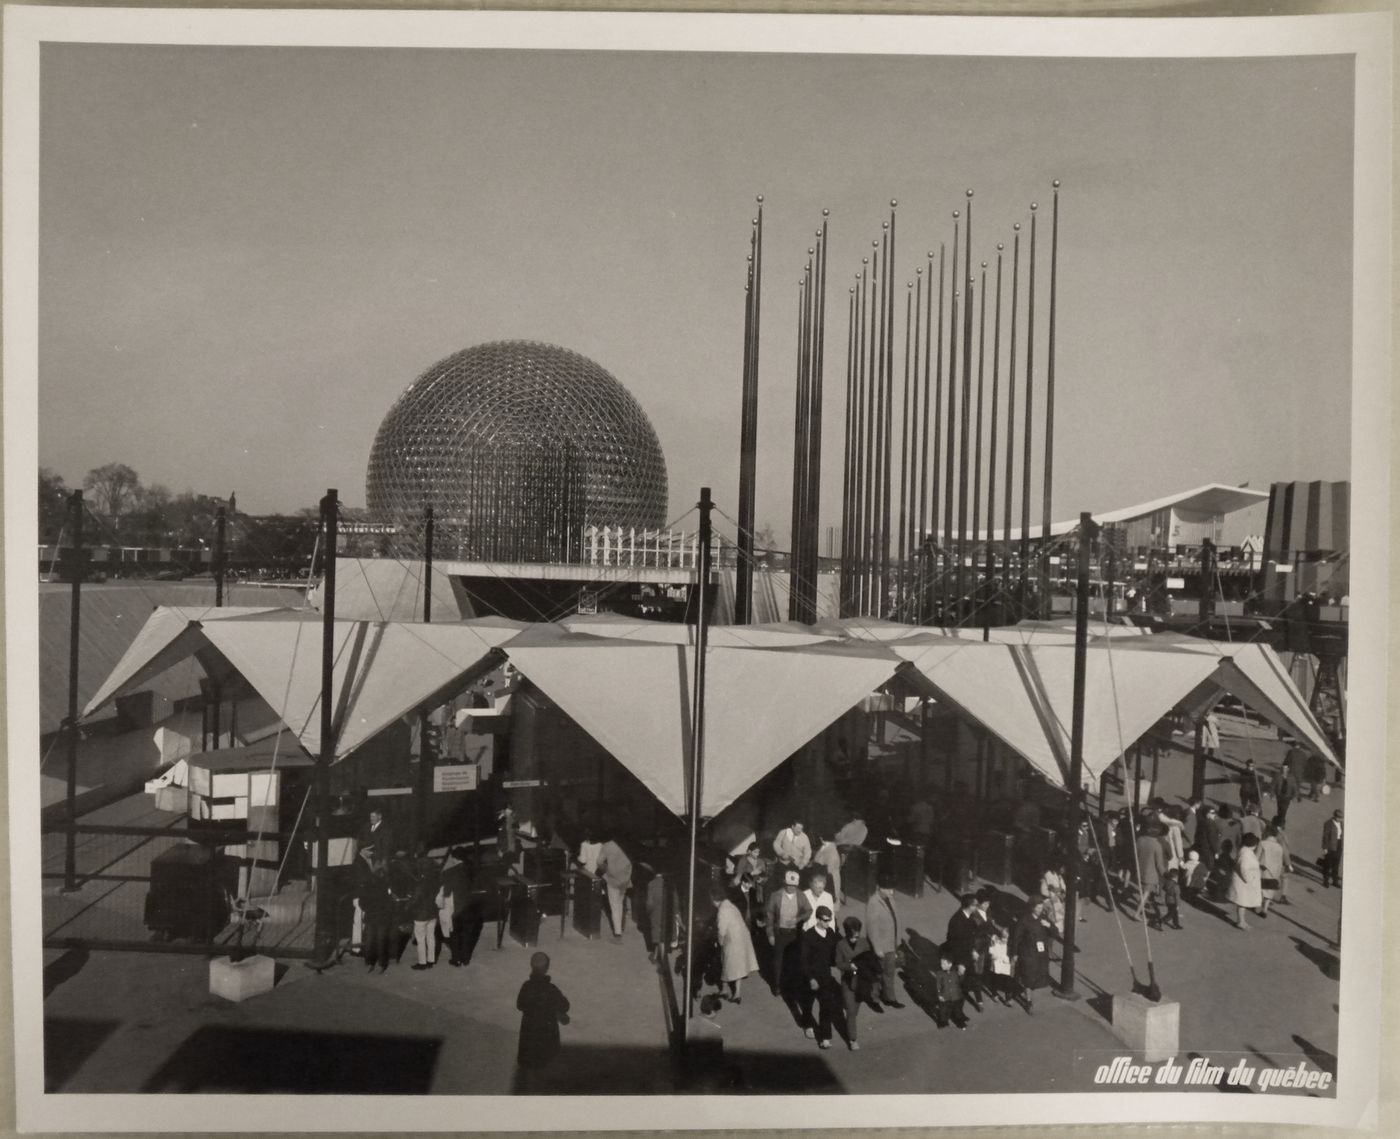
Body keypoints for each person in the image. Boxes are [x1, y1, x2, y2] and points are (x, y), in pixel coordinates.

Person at [516, 951, 571, 1078]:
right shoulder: (551, 989)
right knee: (547, 1058)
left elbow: (519, 1005)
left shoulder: (526, 986)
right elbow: (565, 1006)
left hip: (529, 1030)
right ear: (546, 968)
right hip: (547, 1030)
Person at [797, 906, 841, 1048]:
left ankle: (825, 1037)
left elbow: (834, 952)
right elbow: (803, 960)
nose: (828, 923)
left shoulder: (830, 933)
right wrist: (810, 979)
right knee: (808, 1004)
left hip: (825, 976)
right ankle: (807, 1025)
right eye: (825, 921)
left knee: (826, 1006)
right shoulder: (808, 936)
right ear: (818, 919)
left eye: (830, 920)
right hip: (810, 977)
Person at [765, 869, 812, 998]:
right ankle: (777, 985)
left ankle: (792, 986)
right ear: (784, 883)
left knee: (794, 960)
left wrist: (799, 919)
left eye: (794, 885)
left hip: (794, 933)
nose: (791, 888)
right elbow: (769, 916)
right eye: (789, 885)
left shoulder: (801, 896)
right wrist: (770, 934)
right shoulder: (775, 896)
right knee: (778, 961)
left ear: (797, 885)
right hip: (780, 933)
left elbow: (809, 910)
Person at [835, 916, 879, 1051]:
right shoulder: (840, 945)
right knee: (851, 1011)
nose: (855, 939)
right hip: (848, 982)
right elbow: (838, 963)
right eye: (853, 937)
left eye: (857, 936)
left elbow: (871, 959)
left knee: (856, 1008)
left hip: (861, 981)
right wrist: (850, 966)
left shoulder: (864, 943)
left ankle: (850, 1015)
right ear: (847, 934)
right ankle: (852, 1039)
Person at [712, 885, 758, 1004]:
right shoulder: (730, 905)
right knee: (738, 966)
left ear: (714, 899)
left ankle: (725, 990)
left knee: (726, 963)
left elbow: (721, 930)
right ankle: (736, 993)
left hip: (733, 940)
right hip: (742, 937)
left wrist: (719, 942)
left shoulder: (722, 910)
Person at [866, 876, 906, 1009]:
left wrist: (897, 941)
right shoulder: (873, 903)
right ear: (879, 888)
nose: (891, 892)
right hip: (881, 947)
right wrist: (877, 949)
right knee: (877, 974)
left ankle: (889, 997)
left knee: (889, 973)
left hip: (891, 944)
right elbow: (872, 928)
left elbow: (895, 920)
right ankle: (874, 999)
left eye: (892, 890)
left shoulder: (889, 899)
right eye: (888, 890)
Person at [1010, 897, 1054, 1013]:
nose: (1041, 909)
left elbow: (1055, 931)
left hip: (1040, 954)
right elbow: (1016, 938)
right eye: (1038, 907)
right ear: (1032, 908)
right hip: (1028, 953)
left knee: (1035, 976)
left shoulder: (1043, 918)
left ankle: (1016, 990)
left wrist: (1048, 926)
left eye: (1041, 907)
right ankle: (1028, 1001)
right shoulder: (1024, 921)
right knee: (1028, 977)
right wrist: (1014, 953)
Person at [944, 893, 986, 1012]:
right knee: (958, 980)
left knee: (973, 976)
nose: (976, 907)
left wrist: (973, 950)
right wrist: (961, 963)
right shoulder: (957, 921)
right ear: (968, 906)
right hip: (959, 955)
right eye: (975, 905)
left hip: (967, 953)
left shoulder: (969, 917)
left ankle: (979, 1001)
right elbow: (955, 943)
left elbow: (970, 937)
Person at [355, 855, 395, 973]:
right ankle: (381, 964)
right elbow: (390, 900)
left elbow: (362, 901)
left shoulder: (368, 882)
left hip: (372, 915)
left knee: (370, 940)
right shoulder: (387, 882)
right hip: (381, 915)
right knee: (380, 940)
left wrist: (367, 908)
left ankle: (370, 962)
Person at [594, 832, 632, 941]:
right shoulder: (627, 844)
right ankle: (620, 926)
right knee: (620, 903)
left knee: (615, 906)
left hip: (613, 880)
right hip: (625, 878)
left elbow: (599, 862)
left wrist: (606, 869)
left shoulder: (607, 846)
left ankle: (618, 934)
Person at [408, 847, 441, 971]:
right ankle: (431, 960)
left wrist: (408, 905)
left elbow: (415, 899)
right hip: (433, 912)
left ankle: (422, 962)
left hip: (421, 914)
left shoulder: (421, 883)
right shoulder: (435, 881)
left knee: (421, 939)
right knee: (431, 937)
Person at [1134, 824, 1168, 928]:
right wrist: (1166, 875)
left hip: (1139, 870)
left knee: (1143, 892)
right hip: (1151, 873)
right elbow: (1159, 864)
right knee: (1146, 893)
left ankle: (1139, 909)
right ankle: (1137, 912)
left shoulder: (1140, 840)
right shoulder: (1157, 845)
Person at [1227, 832, 1263, 929]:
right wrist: (1250, 879)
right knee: (1242, 902)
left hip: (1243, 882)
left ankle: (1241, 921)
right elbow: (1244, 868)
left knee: (1243, 902)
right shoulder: (1245, 854)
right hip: (1244, 882)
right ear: (1253, 844)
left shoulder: (1245, 851)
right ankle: (1241, 922)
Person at [1256, 824, 1290, 918]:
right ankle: (1265, 910)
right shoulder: (1279, 847)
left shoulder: (1262, 843)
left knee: (1260, 890)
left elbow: (1257, 857)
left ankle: (1256, 906)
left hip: (1262, 872)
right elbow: (1279, 862)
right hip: (1273, 873)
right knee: (1269, 892)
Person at [931, 950, 970, 1030]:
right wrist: (939, 995)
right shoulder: (940, 973)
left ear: (950, 964)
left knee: (958, 1010)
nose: (941, 965)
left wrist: (962, 974)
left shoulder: (955, 972)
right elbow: (938, 985)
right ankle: (943, 1022)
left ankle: (960, 1022)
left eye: (944, 964)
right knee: (944, 1011)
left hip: (956, 996)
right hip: (945, 996)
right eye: (941, 963)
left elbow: (961, 982)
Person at [984, 924, 1017, 1006]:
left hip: (1006, 964)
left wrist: (1013, 958)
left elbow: (1013, 952)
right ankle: (994, 994)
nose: (1004, 939)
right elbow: (990, 951)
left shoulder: (1011, 943)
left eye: (1006, 937)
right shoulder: (995, 940)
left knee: (1008, 980)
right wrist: (993, 953)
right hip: (997, 963)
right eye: (1003, 937)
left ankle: (1008, 999)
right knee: (996, 979)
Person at [811, 833, 843, 904]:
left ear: (822, 838)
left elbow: (828, 869)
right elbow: (818, 858)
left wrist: (815, 866)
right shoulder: (826, 846)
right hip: (824, 875)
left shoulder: (832, 851)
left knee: (829, 900)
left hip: (829, 877)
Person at [1039, 863, 1068, 936]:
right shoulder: (1048, 875)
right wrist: (1055, 893)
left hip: (1057, 899)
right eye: (1062, 868)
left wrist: (1061, 892)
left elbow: (1064, 888)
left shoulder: (1060, 877)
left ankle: (1057, 929)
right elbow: (1043, 891)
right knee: (1055, 911)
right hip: (1048, 899)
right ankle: (1051, 929)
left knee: (1063, 909)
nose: (1064, 870)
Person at [1320, 809, 1344, 888]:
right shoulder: (1328, 824)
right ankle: (1325, 881)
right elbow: (1325, 836)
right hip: (1330, 846)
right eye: (1339, 817)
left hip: (1339, 845)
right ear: (1335, 816)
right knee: (1327, 864)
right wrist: (1325, 848)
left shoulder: (1341, 824)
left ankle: (1335, 881)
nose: (1341, 819)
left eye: (1341, 817)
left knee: (1336, 864)